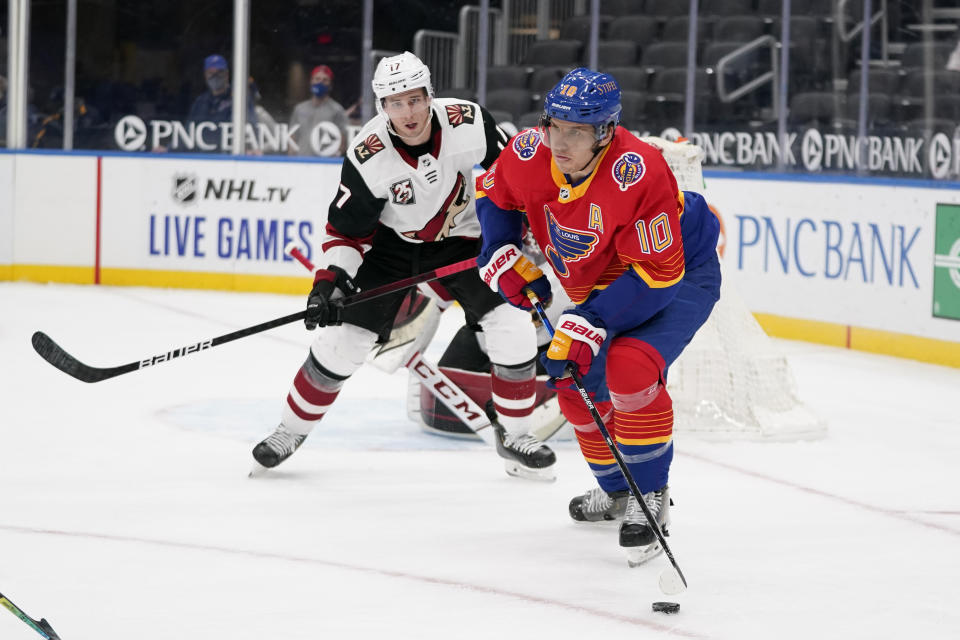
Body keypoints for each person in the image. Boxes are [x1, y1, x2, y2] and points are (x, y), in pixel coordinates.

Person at [251, 51, 555, 480]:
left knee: (513, 327)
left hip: (467, 241)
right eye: (395, 102)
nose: (407, 112)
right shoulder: (366, 154)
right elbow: (346, 233)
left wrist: (516, 233)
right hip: (393, 248)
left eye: (414, 99)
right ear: (381, 107)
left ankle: (516, 433)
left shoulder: (468, 122)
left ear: (430, 95)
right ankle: (289, 430)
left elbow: (514, 180)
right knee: (344, 343)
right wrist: (330, 282)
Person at [474, 68, 721, 565]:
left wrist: (593, 319)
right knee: (570, 378)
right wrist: (498, 253)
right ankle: (616, 493)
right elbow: (493, 196)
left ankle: (650, 495)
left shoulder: (640, 170)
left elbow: (658, 272)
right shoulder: (529, 152)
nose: (559, 143)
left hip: (676, 273)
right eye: (554, 126)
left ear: (604, 132)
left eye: (577, 131)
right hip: (607, 281)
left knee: (629, 368)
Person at [187, 54, 257, 151]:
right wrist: (169, 148)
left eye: (219, 72)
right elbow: (187, 133)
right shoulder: (200, 102)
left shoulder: (238, 99)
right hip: (204, 158)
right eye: (211, 73)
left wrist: (250, 148)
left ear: (227, 74)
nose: (215, 76)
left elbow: (251, 127)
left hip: (229, 156)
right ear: (205, 75)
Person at [289, 64, 350, 157]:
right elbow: (292, 137)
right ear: (311, 81)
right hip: (301, 161)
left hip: (325, 164)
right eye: (317, 79)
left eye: (325, 80)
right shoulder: (300, 109)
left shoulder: (337, 110)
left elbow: (343, 141)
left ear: (330, 85)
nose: (320, 82)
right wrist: (291, 159)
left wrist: (333, 158)